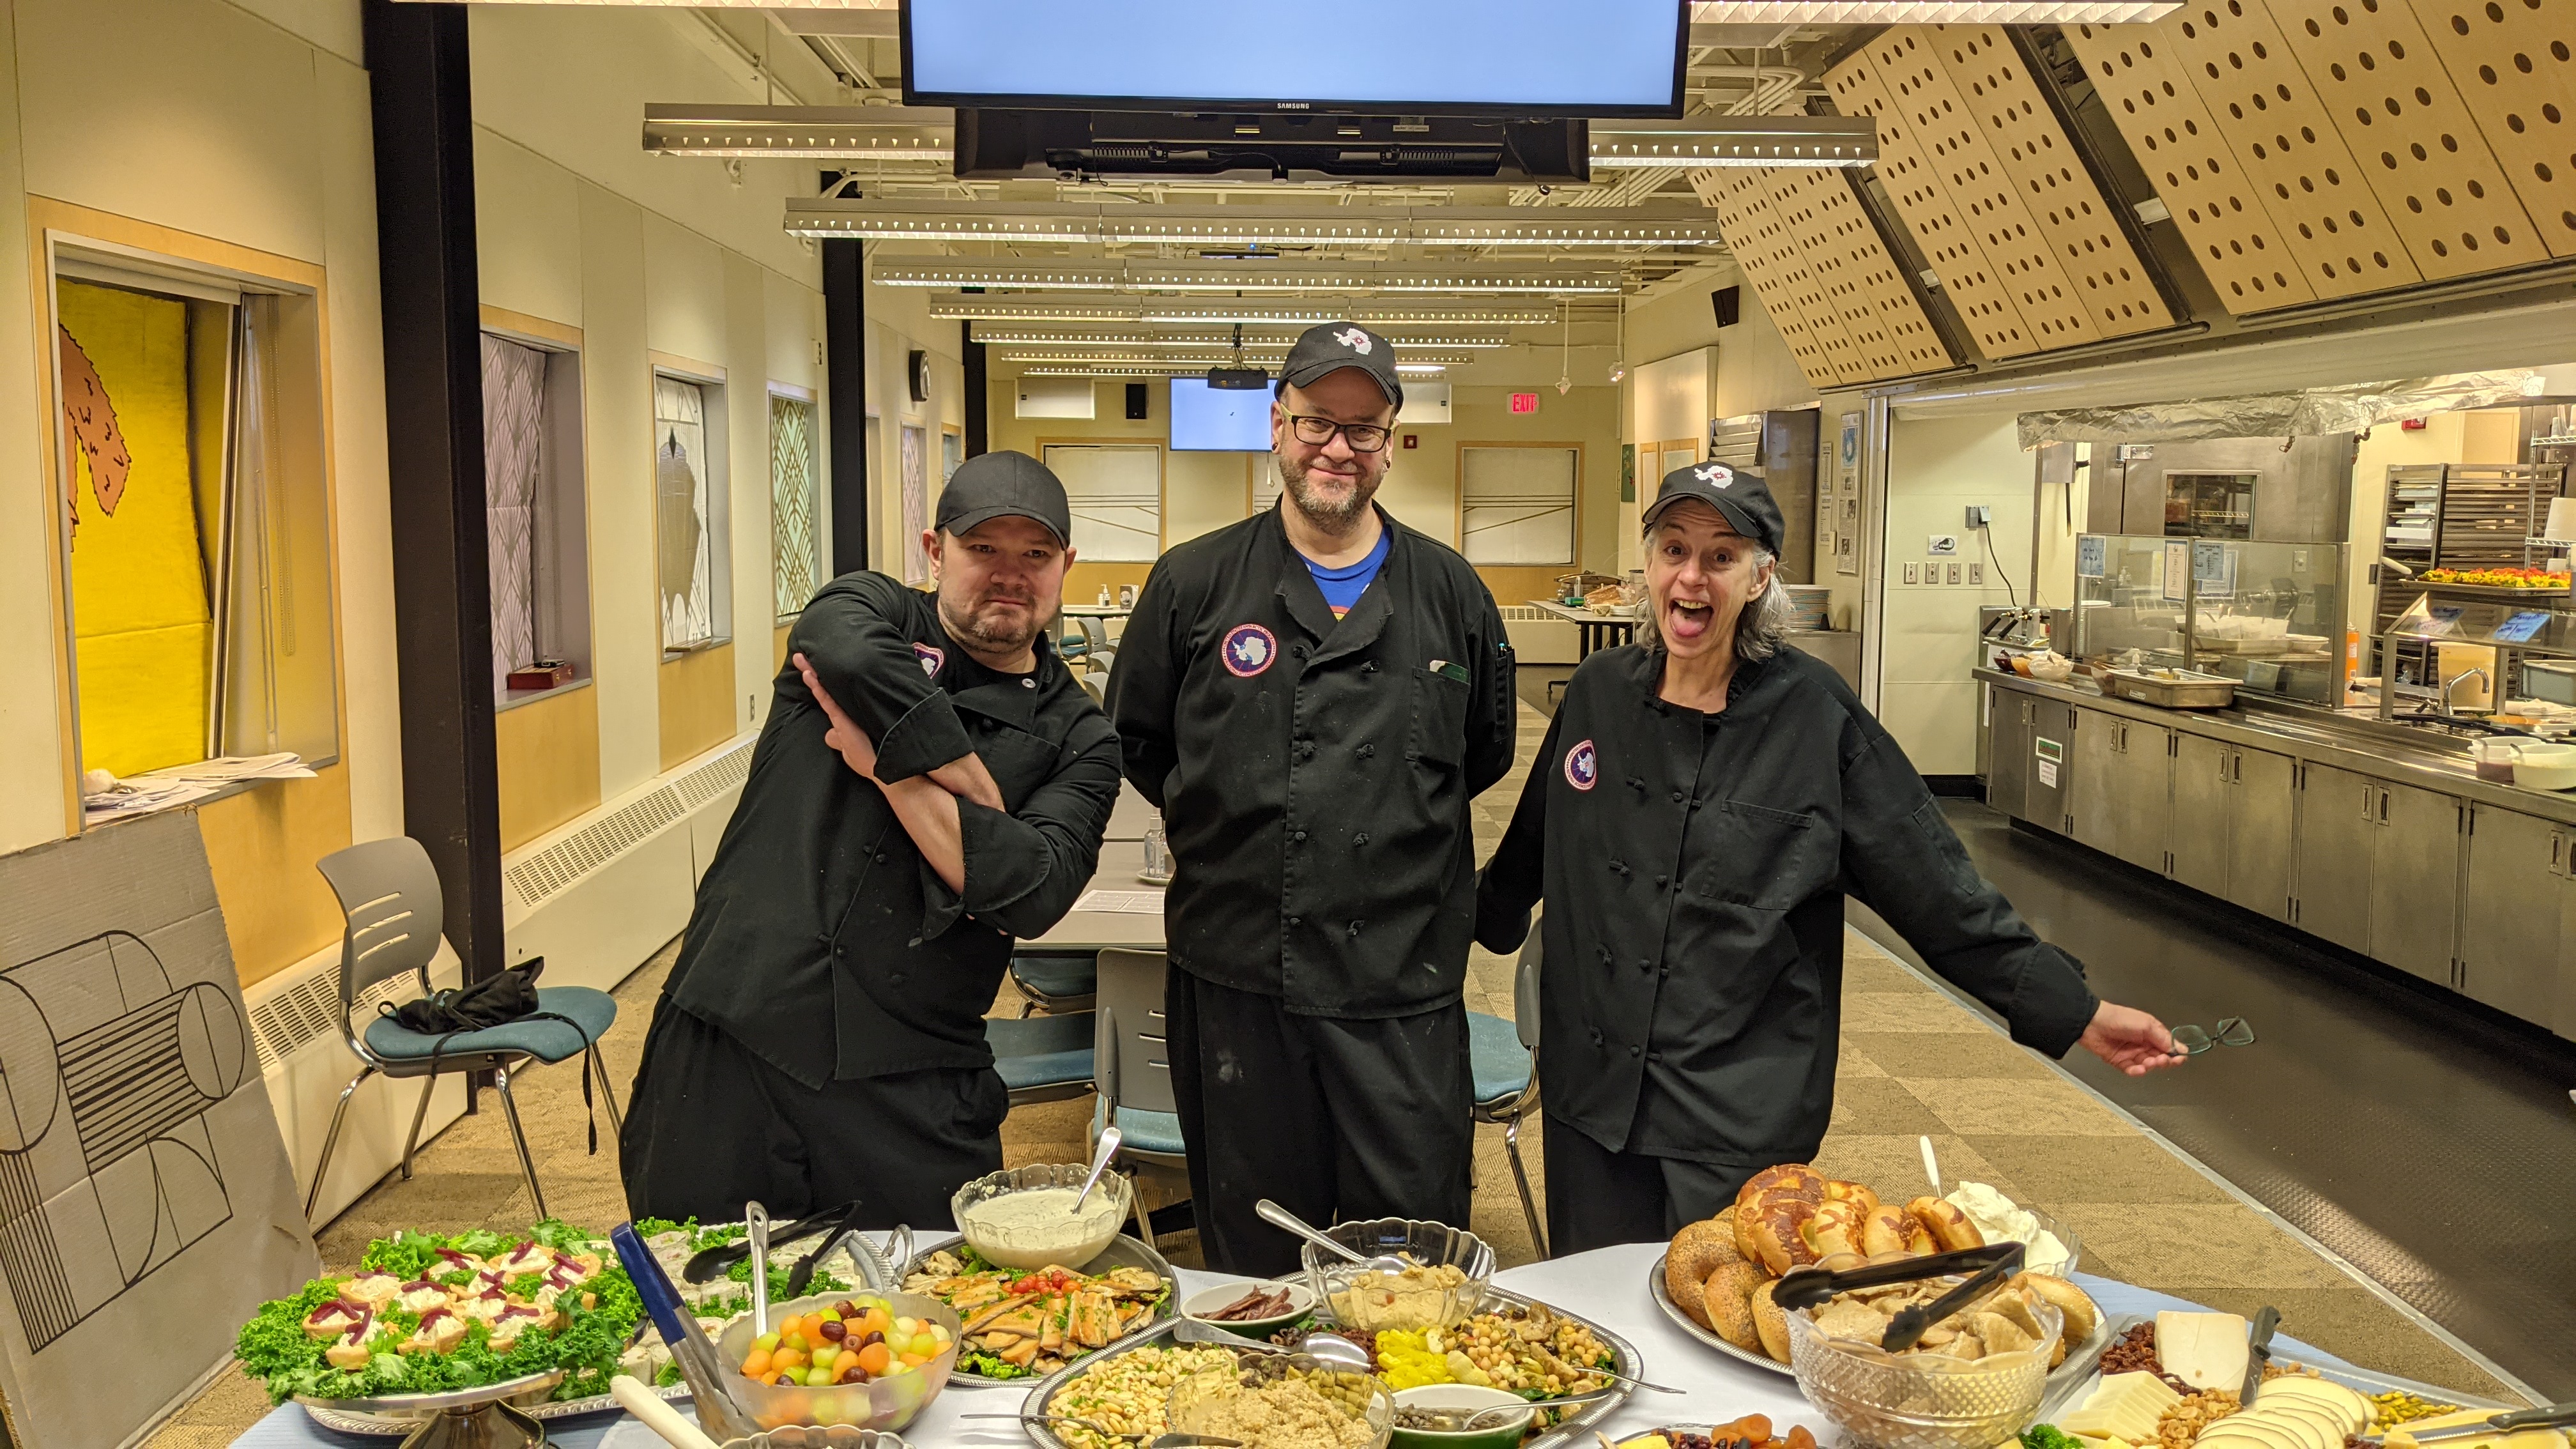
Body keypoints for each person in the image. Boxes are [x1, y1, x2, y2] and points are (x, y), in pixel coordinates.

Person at [1475, 461, 2186, 1254]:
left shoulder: (1814, 715)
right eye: (1674, 549)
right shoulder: (1600, 691)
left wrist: (2074, 1009)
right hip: (1593, 1091)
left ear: (1761, 576)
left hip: (1734, 1101)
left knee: (1730, 1333)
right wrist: (1444, 935)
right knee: (1595, 1316)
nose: (1692, 577)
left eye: (1721, 556)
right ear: (1648, 564)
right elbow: (1530, 851)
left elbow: (1936, 887)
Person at [1107, 322, 1518, 1274]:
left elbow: (1483, 752)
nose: (1338, 447)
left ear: (1389, 442)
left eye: (1362, 429)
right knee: (1255, 1258)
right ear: (1276, 426)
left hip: (1400, 985)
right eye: (1316, 423)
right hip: (1242, 978)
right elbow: (1141, 739)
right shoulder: (1195, 582)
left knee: (1411, 1261)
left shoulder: (1450, 592)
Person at [623, 450, 1121, 1228]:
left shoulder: (1082, 734)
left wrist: (889, 768)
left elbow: (1031, 889)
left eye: (1036, 555)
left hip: (914, 1077)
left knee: (920, 1314)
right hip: (733, 1037)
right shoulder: (870, 608)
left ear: (1067, 566)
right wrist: (965, 778)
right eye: (983, 549)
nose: (1009, 574)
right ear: (934, 552)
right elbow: (844, 650)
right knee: (696, 1293)